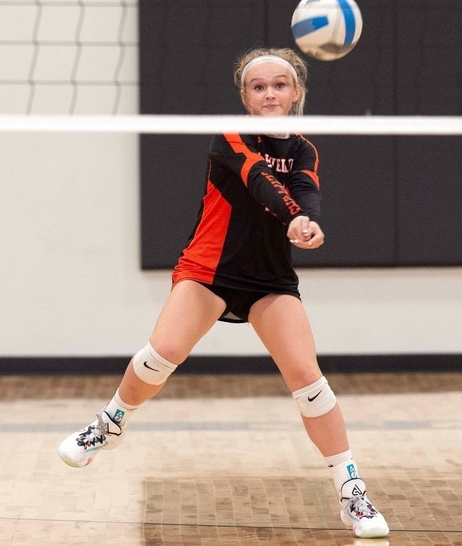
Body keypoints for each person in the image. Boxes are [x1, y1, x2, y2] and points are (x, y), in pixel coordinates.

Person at [57, 47, 389, 539]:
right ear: (245, 96)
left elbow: (305, 187)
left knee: (309, 381)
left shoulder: (304, 148)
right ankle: (110, 425)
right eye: (259, 87)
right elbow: (260, 180)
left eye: (279, 85)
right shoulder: (229, 135)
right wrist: (293, 216)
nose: (270, 93)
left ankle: (351, 493)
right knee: (161, 354)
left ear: (296, 93)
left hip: (269, 279)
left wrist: (310, 218)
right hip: (209, 270)